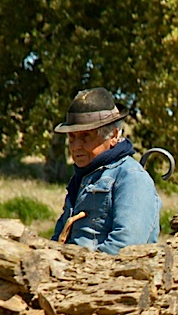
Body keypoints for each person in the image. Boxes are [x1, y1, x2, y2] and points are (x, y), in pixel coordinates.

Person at [51, 87, 162, 254]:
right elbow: (58, 236)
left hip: (102, 277)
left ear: (114, 136)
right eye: (72, 137)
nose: (75, 146)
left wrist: (80, 273)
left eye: (86, 136)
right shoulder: (81, 179)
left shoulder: (131, 178)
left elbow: (126, 246)